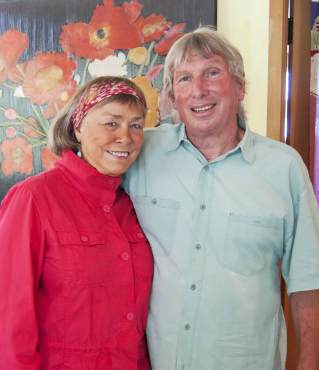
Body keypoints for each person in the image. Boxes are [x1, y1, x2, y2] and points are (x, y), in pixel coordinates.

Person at [124, 26, 319, 370]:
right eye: (184, 79)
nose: (199, 91)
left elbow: (308, 281)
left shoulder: (284, 167)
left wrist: (310, 363)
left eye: (212, 73)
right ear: (171, 96)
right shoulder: (140, 154)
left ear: (239, 86)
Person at [0, 76, 153, 370]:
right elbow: (7, 322)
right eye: (111, 123)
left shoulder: (133, 204)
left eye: (136, 125)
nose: (126, 136)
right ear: (78, 126)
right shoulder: (33, 199)